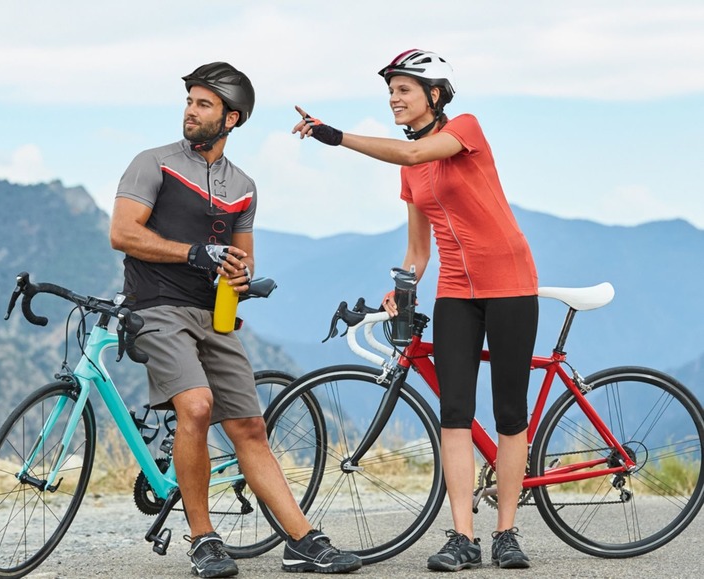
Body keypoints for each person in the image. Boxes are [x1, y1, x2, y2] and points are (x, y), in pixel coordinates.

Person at [110, 61, 362, 578]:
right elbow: (123, 233)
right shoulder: (152, 163)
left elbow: (243, 260)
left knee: (249, 425)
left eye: (203, 104)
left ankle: (302, 540)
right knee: (198, 407)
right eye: (189, 101)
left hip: (214, 314)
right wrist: (192, 254)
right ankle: (203, 539)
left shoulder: (243, 185)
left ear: (232, 118)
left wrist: (245, 279)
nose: (190, 111)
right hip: (155, 307)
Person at [292, 49, 539, 572]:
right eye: (390, 92)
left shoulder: (464, 129)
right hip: (455, 290)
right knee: (454, 413)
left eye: (404, 90)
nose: (394, 100)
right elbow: (418, 252)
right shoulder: (412, 177)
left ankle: (508, 533)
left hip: (511, 282)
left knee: (510, 414)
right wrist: (401, 291)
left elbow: (412, 155)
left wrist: (333, 136)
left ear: (434, 94)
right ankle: (463, 538)